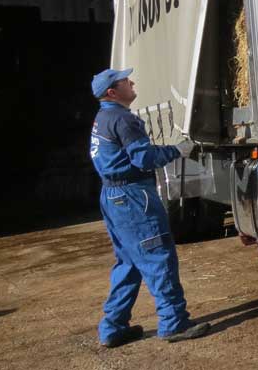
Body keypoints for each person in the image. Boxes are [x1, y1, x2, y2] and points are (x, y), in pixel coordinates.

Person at [89, 67, 211, 348]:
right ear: (112, 92)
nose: (131, 82)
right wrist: (176, 150)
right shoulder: (122, 119)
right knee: (158, 257)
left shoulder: (103, 118)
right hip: (132, 197)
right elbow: (143, 159)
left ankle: (113, 327)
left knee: (129, 263)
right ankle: (173, 322)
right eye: (124, 81)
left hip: (112, 195)